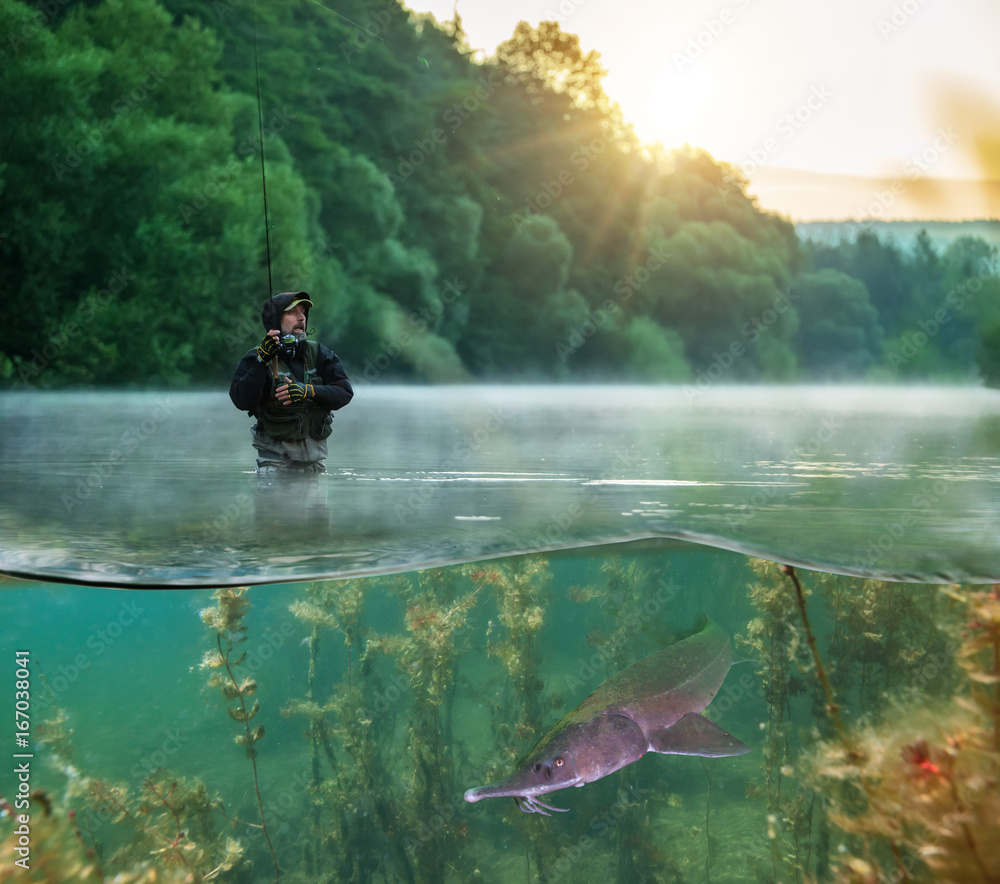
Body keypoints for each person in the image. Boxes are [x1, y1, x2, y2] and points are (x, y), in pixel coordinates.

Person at [230, 292, 353, 474]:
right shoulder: (255, 357)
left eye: (303, 312)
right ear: (275, 320)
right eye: (292, 312)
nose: (301, 317)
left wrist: (308, 391)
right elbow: (242, 401)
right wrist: (262, 360)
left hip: (314, 466)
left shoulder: (320, 354)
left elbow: (344, 393)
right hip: (273, 465)